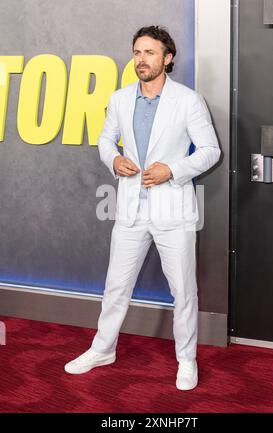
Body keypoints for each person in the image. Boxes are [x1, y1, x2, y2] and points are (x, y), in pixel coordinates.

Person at [64, 25, 220, 391]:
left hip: (174, 211)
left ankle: (186, 360)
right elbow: (105, 140)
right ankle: (103, 349)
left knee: (183, 291)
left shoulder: (188, 100)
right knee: (116, 286)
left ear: (168, 58)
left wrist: (174, 169)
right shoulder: (120, 99)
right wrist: (114, 159)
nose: (141, 60)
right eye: (137, 52)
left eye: (150, 53)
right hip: (130, 209)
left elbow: (211, 150)